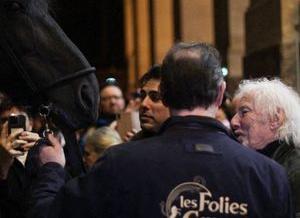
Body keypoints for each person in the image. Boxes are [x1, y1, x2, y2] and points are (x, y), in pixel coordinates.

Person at [28, 42, 293, 218]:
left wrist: (51, 168)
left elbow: (47, 214)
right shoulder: (269, 176)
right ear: (221, 93)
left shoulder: (121, 162)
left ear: (164, 93)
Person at [231, 77, 300, 216]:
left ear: (275, 118)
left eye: (244, 112)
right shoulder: (255, 161)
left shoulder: (296, 171)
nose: (233, 122)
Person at [0, 94, 40, 218]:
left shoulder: (43, 151)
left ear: (31, 124)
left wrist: (42, 147)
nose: (10, 126)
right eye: (4, 120)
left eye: (18, 120)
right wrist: (3, 165)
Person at [124, 63, 170, 141]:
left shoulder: (189, 146)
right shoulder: (132, 146)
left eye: (155, 97)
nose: (143, 104)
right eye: (142, 96)